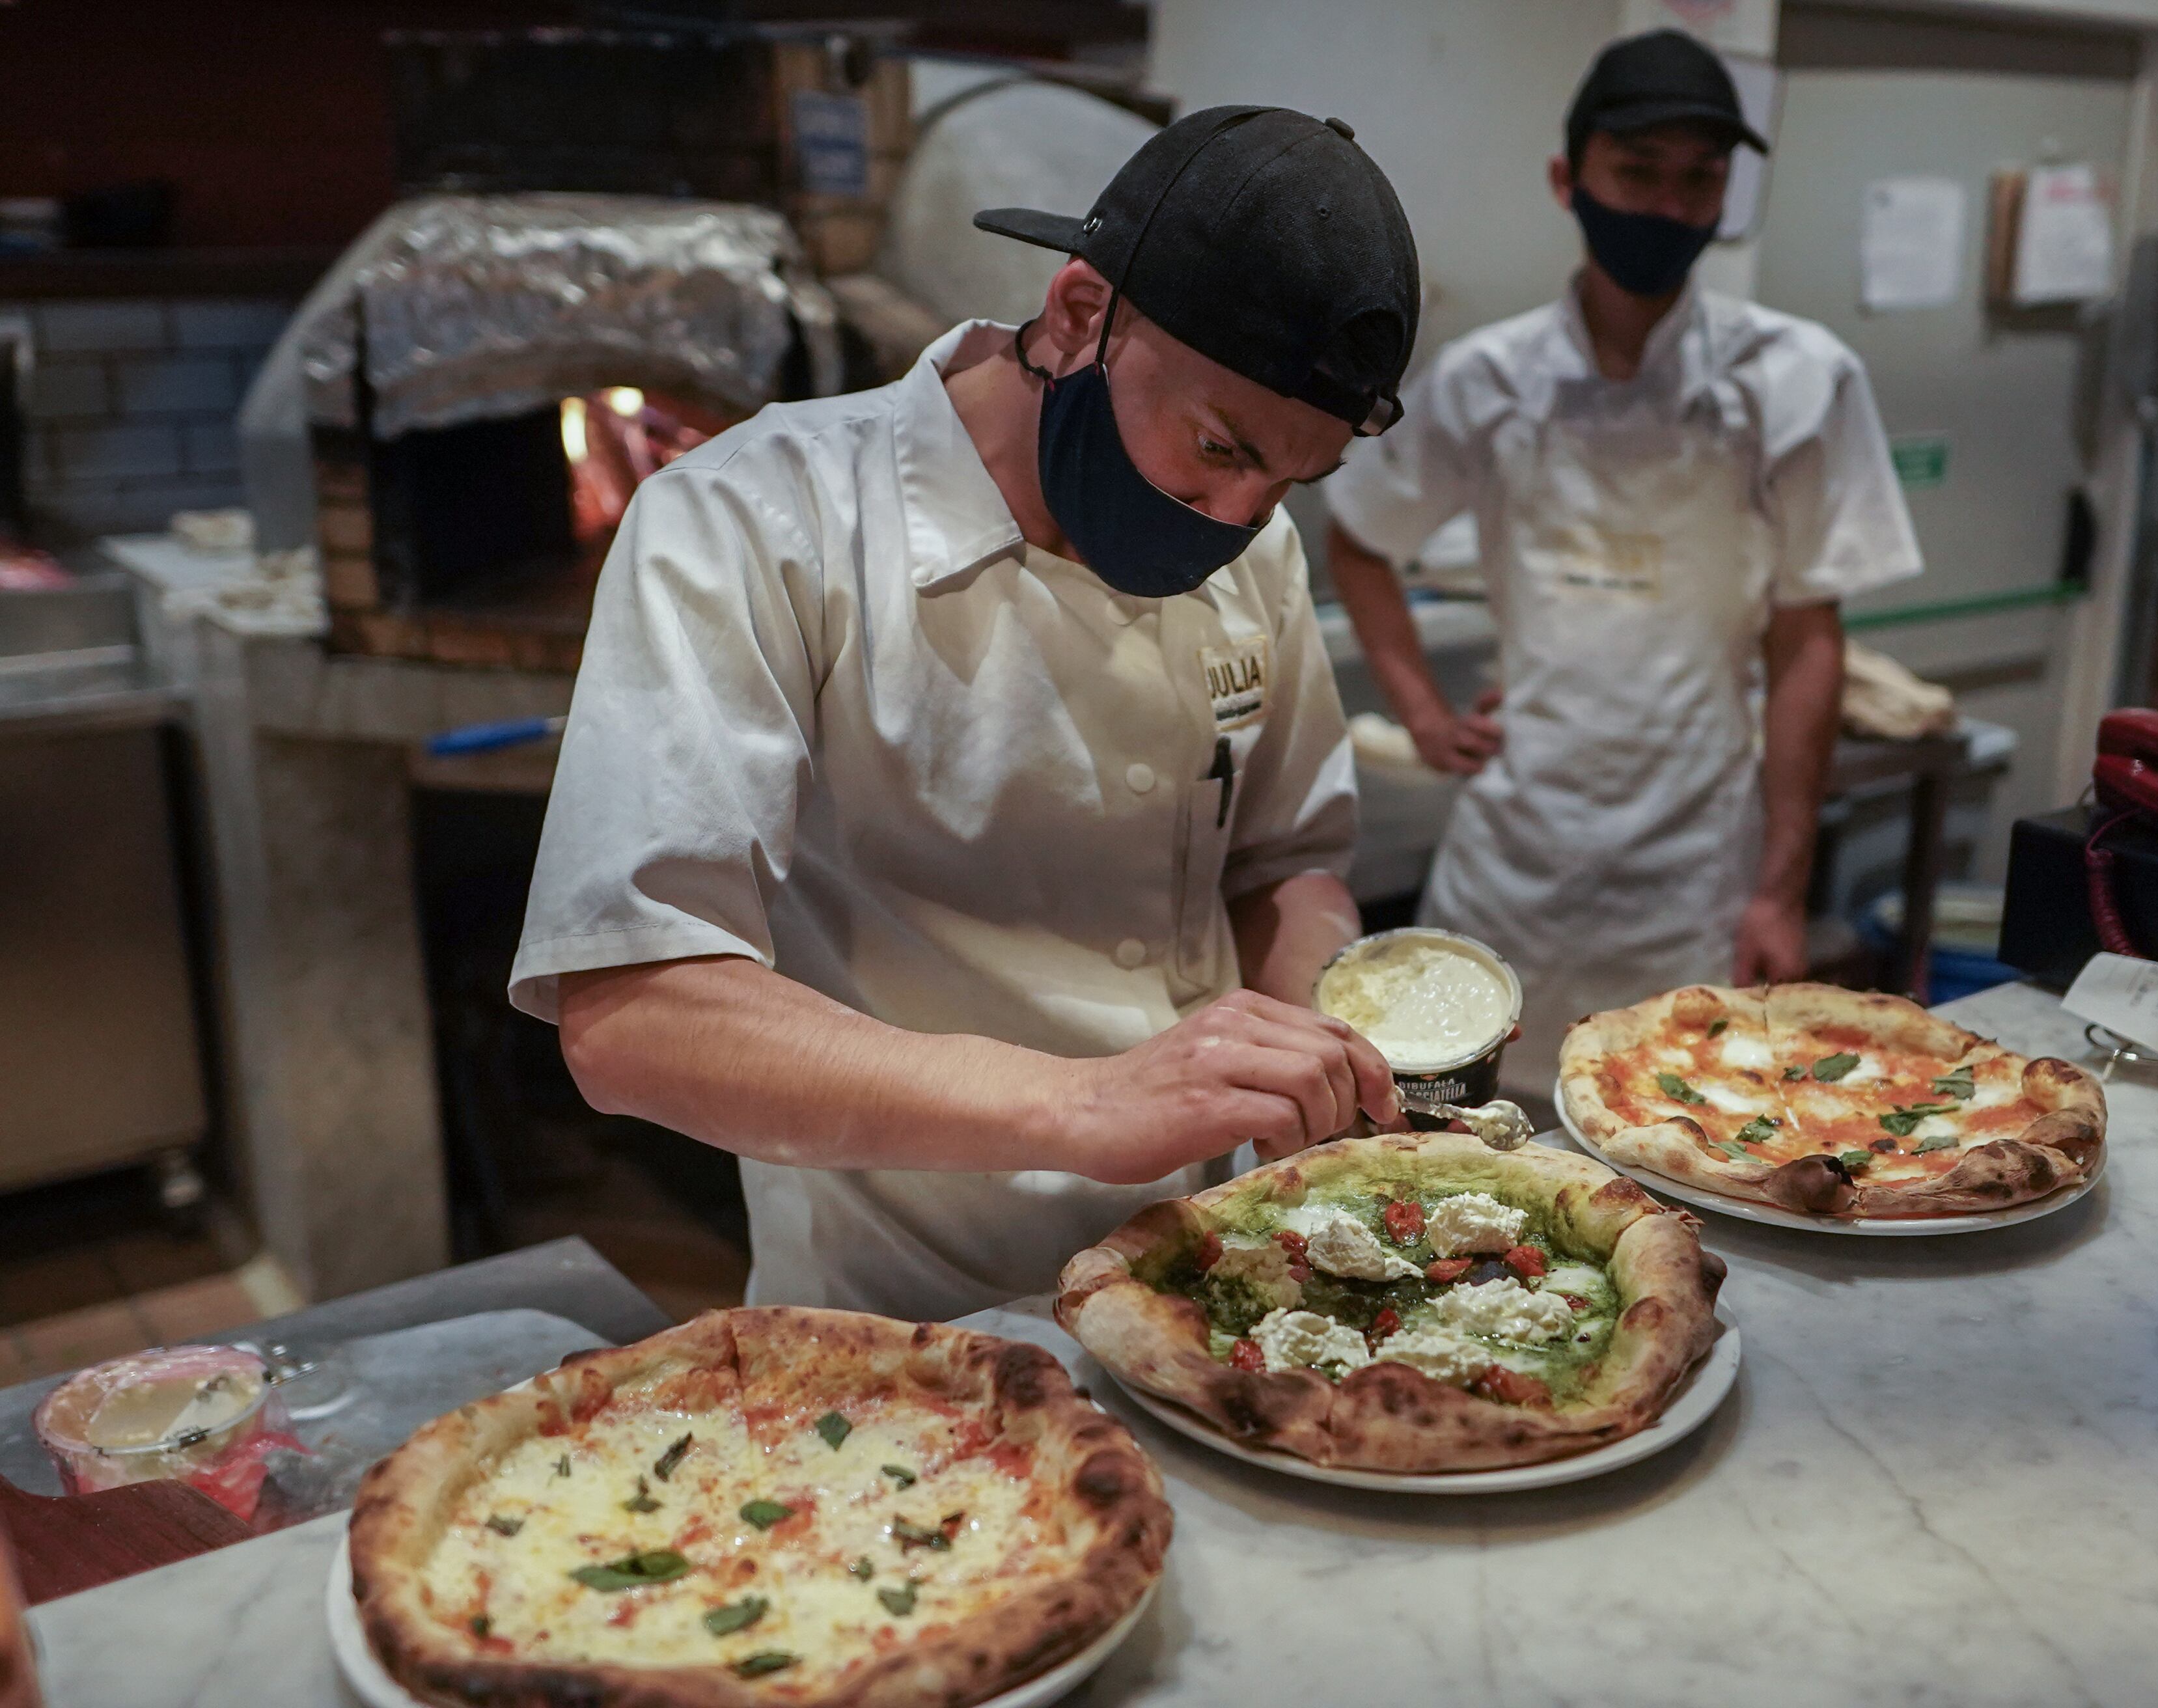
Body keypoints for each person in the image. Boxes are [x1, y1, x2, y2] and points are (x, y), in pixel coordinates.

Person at [508, 107, 1422, 1321]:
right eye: (1217, 448)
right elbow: (636, 1014)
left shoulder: (1257, 547)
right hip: (898, 1316)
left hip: (1214, 1282)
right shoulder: (759, 521)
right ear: (1082, 313)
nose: (1235, 521)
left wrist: (1329, 1058)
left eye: (1287, 483)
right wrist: (1087, 1103)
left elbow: (1283, 861)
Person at [1326, 30, 1923, 1094]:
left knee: (1680, 1125)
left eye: (1700, 180)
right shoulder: (1485, 379)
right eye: (1638, 172)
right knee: (1475, 1139)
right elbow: (1362, 539)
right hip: (1514, 861)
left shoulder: (1798, 380)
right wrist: (1422, 712)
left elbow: (1806, 643)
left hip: (1694, 872)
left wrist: (1780, 892)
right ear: (1570, 180)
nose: (1668, 206)